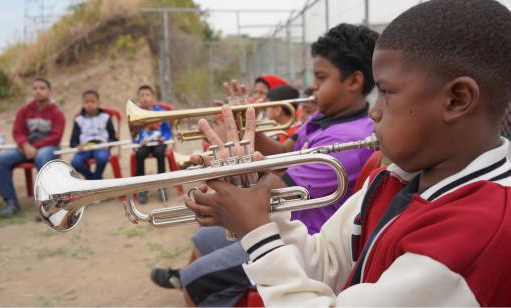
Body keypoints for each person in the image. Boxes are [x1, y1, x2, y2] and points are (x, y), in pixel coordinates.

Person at [185, 0, 511, 305]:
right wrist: (264, 208)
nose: (374, 112)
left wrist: (256, 231)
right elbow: (322, 263)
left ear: (456, 99)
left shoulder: (479, 232)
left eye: (385, 93)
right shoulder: (390, 179)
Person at [151, 23, 379, 306]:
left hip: (296, 237)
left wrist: (231, 163)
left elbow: (272, 189)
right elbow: (283, 150)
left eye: (321, 78)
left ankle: (194, 285)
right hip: (277, 222)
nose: (313, 87)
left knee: (196, 279)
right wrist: (245, 125)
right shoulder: (323, 118)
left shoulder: (348, 141)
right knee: (203, 239)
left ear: (354, 82)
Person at [0, 78, 65, 217]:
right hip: (25, 148)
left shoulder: (57, 112)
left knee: (42, 157)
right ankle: (11, 203)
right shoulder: (24, 110)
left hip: (48, 148)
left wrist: (34, 147)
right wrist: (25, 145)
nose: (38, 91)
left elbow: (56, 136)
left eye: (42, 88)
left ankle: (48, 205)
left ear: (49, 91)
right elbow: (17, 131)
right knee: (0, 160)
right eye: (35, 88)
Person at [133, 85, 171, 204]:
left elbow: (167, 130)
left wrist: (163, 138)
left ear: (153, 98)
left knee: (160, 153)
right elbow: (134, 132)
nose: (145, 98)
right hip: (145, 143)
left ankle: (162, 185)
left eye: (147, 95)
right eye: (142, 95)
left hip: (159, 142)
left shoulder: (160, 112)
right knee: (139, 154)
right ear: (138, 98)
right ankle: (142, 189)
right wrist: (139, 141)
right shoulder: (136, 114)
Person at [69, 90, 117, 180]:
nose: (89, 104)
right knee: (75, 162)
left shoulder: (105, 117)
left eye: (93, 101)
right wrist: (77, 146)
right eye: (86, 102)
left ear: (98, 103)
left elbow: (113, 138)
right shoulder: (78, 120)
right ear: (82, 104)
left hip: (101, 146)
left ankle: (94, 181)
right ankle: (95, 180)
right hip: (85, 147)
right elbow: (72, 142)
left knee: (102, 158)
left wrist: (107, 145)